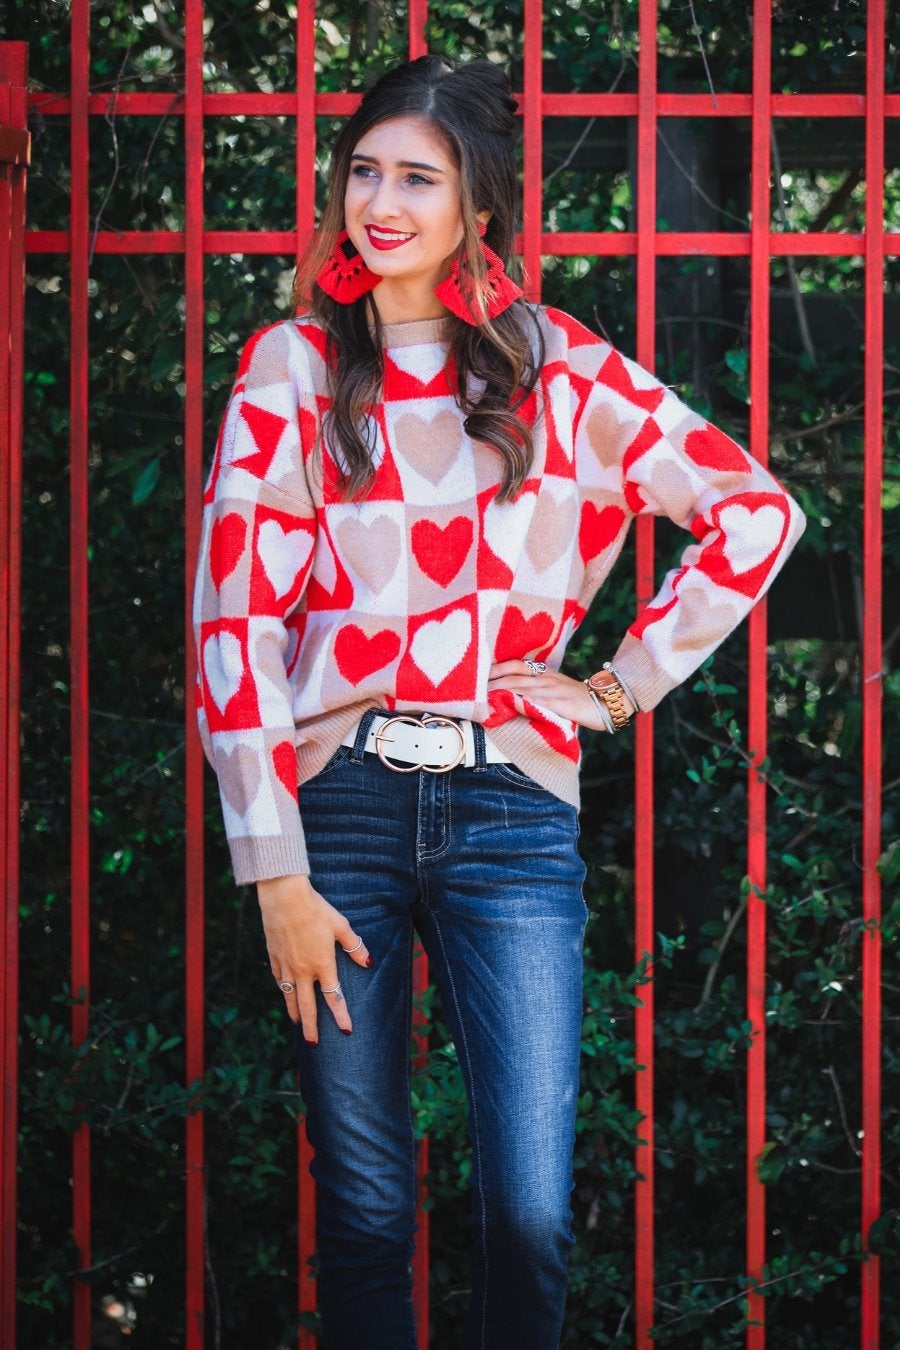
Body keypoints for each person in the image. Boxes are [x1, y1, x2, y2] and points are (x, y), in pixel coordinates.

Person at [192, 53, 805, 1350]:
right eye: (365, 171)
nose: (382, 203)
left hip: (511, 812)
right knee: (365, 1210)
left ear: (480, 204)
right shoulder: (292, 365)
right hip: (338, 812)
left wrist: (618, 688)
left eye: (419, 178)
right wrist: (275, 871)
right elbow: (231, 618)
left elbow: (756, 511)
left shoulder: (558, 366)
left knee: (527, 1212)